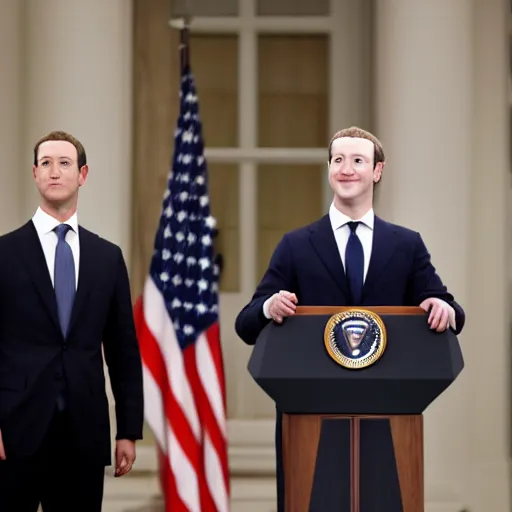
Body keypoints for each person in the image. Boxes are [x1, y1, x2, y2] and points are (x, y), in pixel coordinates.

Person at [234, 126, 465, 512]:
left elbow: (449, 309)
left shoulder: (407, 245)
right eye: (338, 160)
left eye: (358, 160)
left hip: (387, 417)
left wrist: (444, 310)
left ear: (377, 171)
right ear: (328, 169)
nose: (346, 169)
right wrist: (267, 307)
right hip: (310, 416)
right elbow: (246, 324)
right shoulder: (296, 245)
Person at [0, 131, 144, 511]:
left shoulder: (107, 258)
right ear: (34, 173)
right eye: (45, 163)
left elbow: (123, 350)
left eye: (64, 163)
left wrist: (128, 430)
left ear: (82, 175)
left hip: (84, 430)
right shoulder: (4, 253)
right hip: (15, 431)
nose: (54, 171)